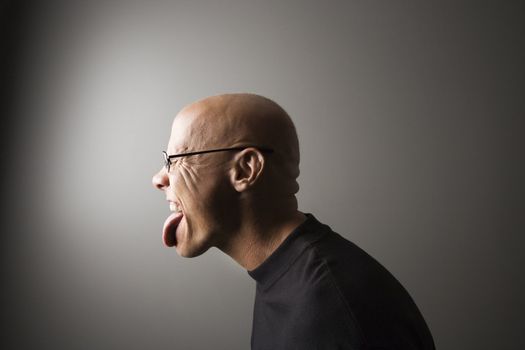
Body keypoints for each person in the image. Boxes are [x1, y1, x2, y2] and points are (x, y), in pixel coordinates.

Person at [152, 93, 435, 349]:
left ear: (246, 170)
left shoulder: (327, 309)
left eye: (174, 160)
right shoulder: (291, 278)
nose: (158, 179)